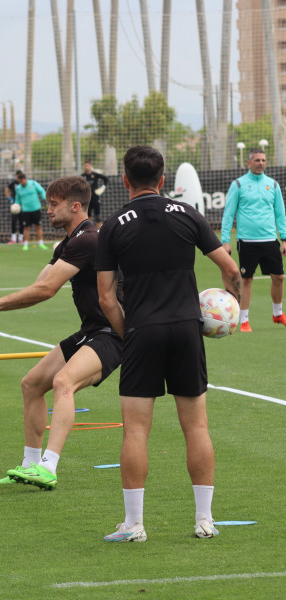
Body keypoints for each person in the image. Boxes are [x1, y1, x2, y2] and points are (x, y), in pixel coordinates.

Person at [95, 145, 241, 543]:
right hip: (187, 330)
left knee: (136, 432)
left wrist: (129, 334)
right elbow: (230, 269)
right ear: (163, 180)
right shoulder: (188, 214)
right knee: (196, 426)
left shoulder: (113, 226)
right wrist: (234, 314)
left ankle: (134, 526)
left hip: (143, 330)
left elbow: (106, 297)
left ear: (125, 181)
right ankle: (205, 520)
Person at [0, 176, 121, 490]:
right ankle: (29, 465)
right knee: (31, 384)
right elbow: (41, 281)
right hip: (92, 329)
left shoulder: (88, 239)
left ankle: (48, 467)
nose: (47, 210)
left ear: (75, 206)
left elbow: (47, 289)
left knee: (63, 381)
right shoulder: (68, 242)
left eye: (54, 204)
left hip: (114, 331)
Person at [220, 148, 286, 332]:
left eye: (263, 160)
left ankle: (278, 314)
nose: (261, 163)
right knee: (247, 280)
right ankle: (244, 320)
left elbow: (280, 214)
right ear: (248, 163)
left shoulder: (273, 185)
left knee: (279, 277)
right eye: (257, 160)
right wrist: (225, 240)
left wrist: (285, 238)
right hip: (247, 242)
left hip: (270, 240)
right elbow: (228, 214)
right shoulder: (239, 185)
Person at [13, 171, 47, 250]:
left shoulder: (33, 184)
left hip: (36, 209)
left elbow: (41, 191)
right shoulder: (18, 188)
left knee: (38, 226)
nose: (22, 183)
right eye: (20, 182)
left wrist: (45, 198)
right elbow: (17, 200)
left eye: (22, 181)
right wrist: (15, 206)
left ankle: (41, 244)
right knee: (26, 228)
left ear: (25, 179)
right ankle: (25, 245)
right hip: (26, 211)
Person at [81, 161, 109, 227]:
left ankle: (99, 229)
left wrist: (103, 187)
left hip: (95, 197)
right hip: (87, 198)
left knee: (97, 214)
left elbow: (105, 179)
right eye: (85, 166)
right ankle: (89, 229)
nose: (86, 167)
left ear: (90, 166)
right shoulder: (83, 176)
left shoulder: (95, 174)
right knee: (88, 214)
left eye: (87, 165)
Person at [6, 172, 24, 244]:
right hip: (15, 204)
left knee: (22, 221)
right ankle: (13, 239)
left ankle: (21, 239)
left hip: (22, 204)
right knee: (14, 221)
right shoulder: (13, 183)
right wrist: (9, 198)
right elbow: (7, 189)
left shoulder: (23, 183)